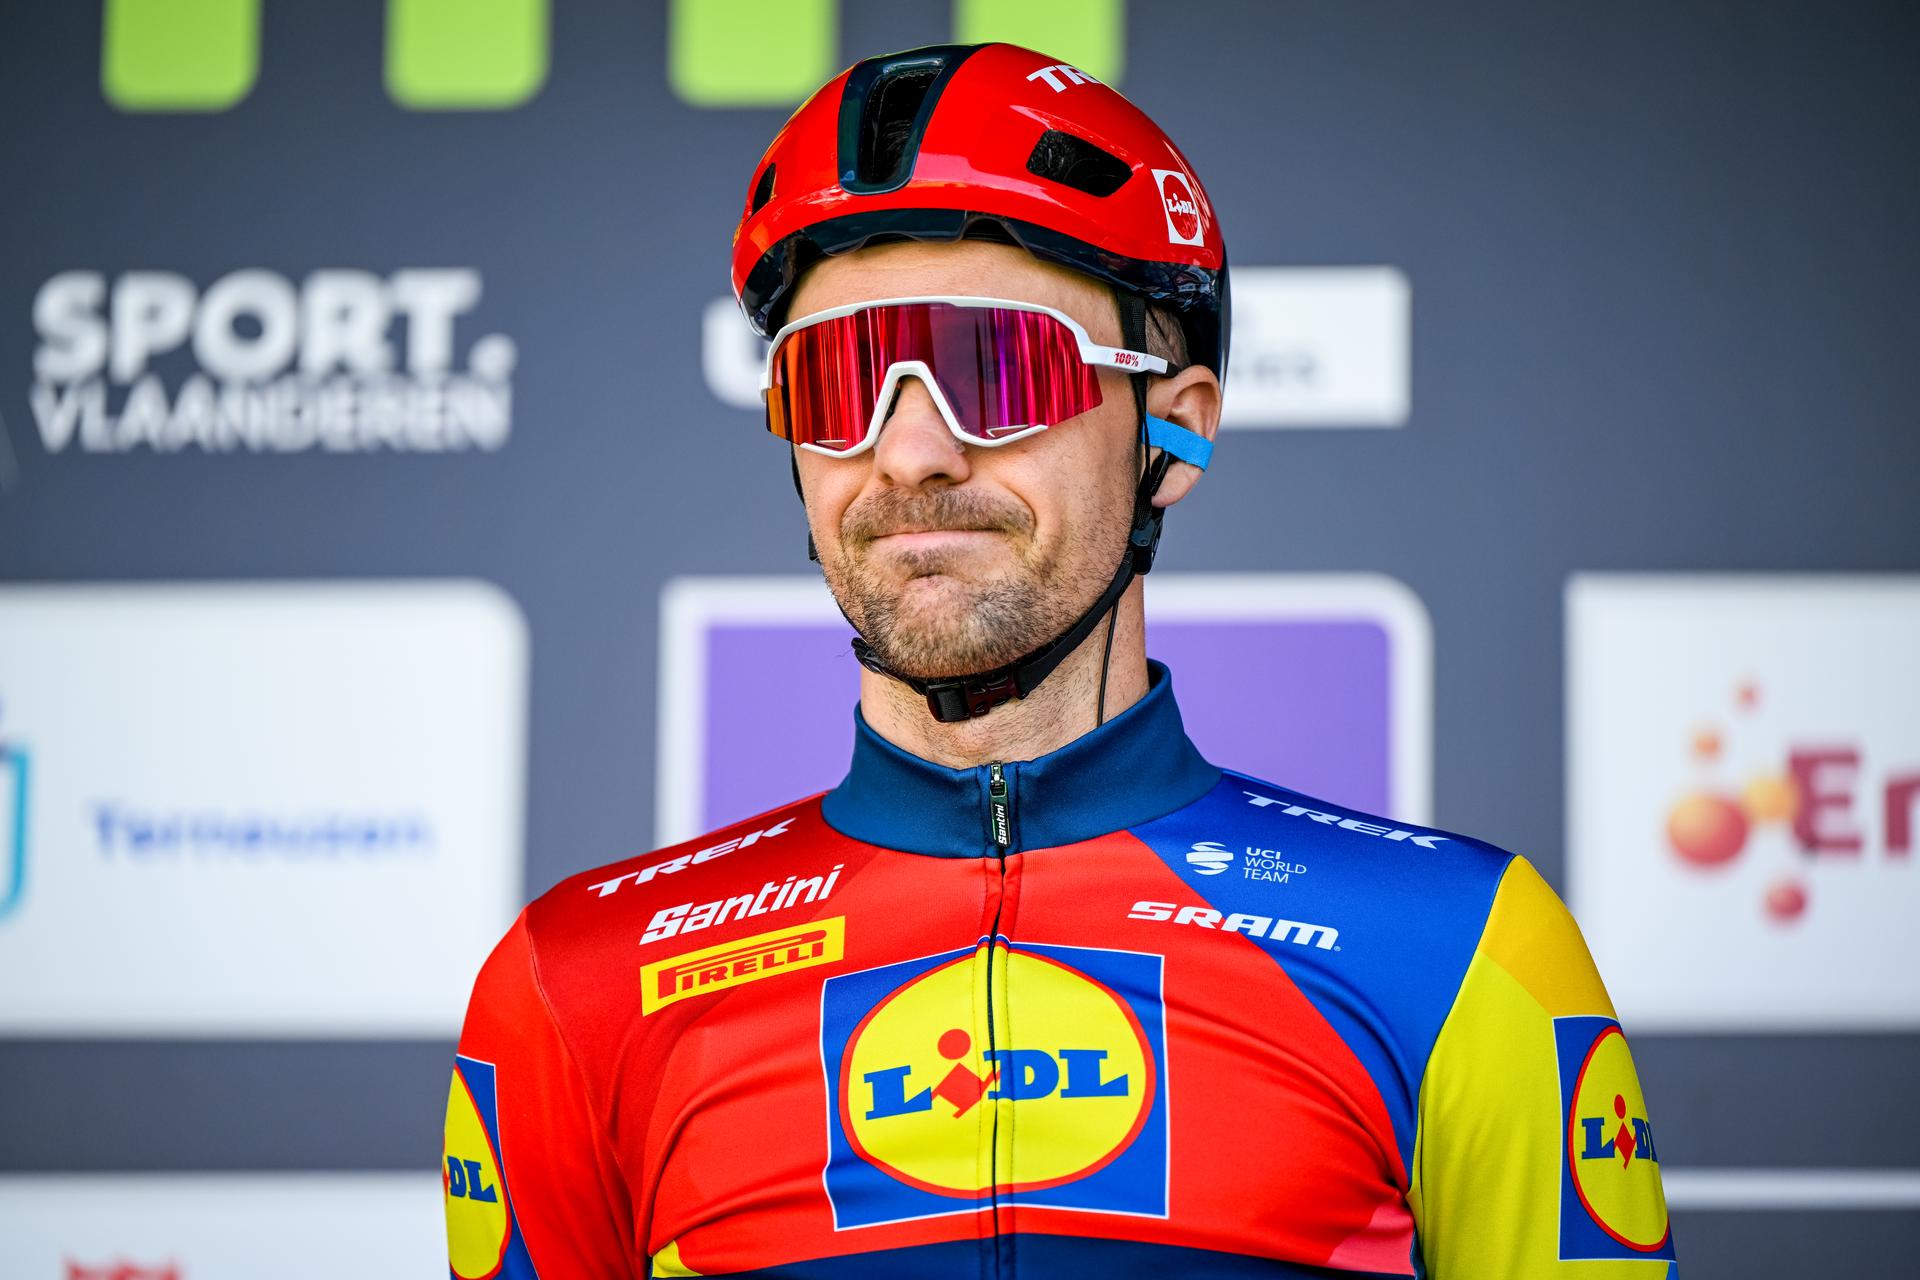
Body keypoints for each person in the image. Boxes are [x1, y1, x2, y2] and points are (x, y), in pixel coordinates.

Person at [444, 42, 1678, 1280]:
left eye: (997, 367)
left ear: (1176, 430)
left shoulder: (1452, 948)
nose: (910, 451)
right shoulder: (581, 986)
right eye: (837, 379)